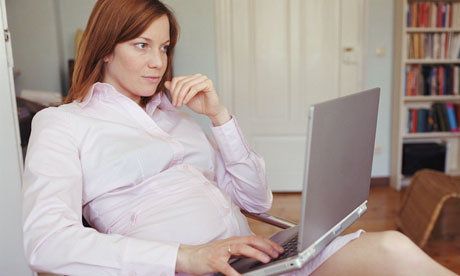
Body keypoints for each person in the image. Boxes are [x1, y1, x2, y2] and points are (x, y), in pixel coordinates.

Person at [22, 0, 457, 276]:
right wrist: (188, 257)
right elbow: (46, 243)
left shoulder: (180, 117)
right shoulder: (64, 124)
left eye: (166, 47)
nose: (158, 62)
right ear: (104, 48)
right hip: (191, 270)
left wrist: (220, 117)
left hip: (259, 260)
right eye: (142, 45)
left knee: (395, 250)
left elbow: (257, 201)